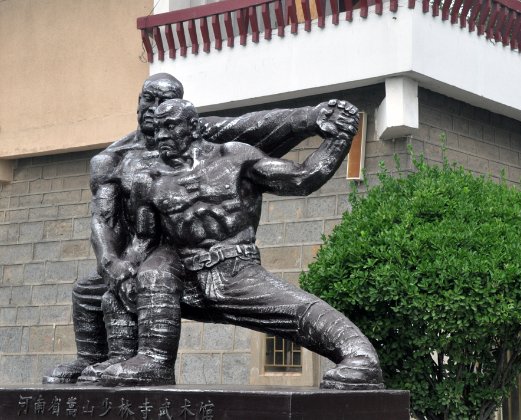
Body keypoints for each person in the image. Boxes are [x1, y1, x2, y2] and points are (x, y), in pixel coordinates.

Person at [43, 73, 365, 384]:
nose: (156, 115)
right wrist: (115, 266)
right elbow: (113, 223)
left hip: (232, 264)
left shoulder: (228, 150)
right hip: (172, 266)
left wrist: (317, 120)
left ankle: (359, 354)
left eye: (166, 108)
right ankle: (115, 361)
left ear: (192, 125)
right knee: (105, 289)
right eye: (148, 100)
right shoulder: (120, 164)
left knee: (293, 309)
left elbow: (264, 134)